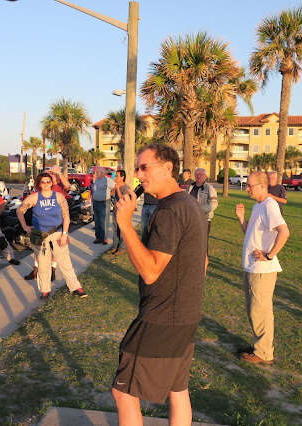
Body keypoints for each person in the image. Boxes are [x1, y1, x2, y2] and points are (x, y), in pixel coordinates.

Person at [111, 144, 207, 425]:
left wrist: (125, 224)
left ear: (168, 168)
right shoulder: (190, 203)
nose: (139, 174)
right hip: (186, 314)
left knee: (124, 391)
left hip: (162, 318)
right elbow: (203, 262)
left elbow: (151, 272)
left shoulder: (170, 211)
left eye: (145, 167)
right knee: (178, 389)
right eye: (137, 168)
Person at [235, 171, 290, 365]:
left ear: (262, 186)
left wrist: (269, 255)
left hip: (263, 270)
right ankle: (258, 346)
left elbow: (284, 232)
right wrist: (241, 218)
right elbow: (249, 232)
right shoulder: (258, 205)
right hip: (252, 267)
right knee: (253, 309)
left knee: (260, 310)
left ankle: (264, 353)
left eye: (249, 185)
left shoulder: (269, 205)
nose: (247, 189)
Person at [17, 173, 87, 300]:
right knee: (43, 265)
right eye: (43, 182)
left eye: (48, 181)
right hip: (40, 236)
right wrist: (25, 226)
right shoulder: (35, 197)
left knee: (65, 262)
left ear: (51, 183)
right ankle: (45, 290)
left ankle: (76, 287)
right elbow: (19, 210)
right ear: (39, 184)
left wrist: (64, 234)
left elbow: (66, 216)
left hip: (57, 233)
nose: (46, 184)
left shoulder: (59, 196)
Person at [187, 168, 218, 238]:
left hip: (204, 219)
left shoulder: (209, 188)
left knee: (202, 241)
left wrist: (199, 209)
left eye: (200, 174)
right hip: (190, 219)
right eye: (196, 174)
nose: (198, 176)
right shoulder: (190, 187)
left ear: (205, 176)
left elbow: (213, 204)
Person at [107, 170, 130, 255]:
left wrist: (118, 189)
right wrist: (115, 188)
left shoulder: (126, 188)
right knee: (115, 229)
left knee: (122, 230)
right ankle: (115, 246)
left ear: (122, 177)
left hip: (122, 212)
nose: (115, 178)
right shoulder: (116, 186)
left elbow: (122, 199)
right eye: (115, 176)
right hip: (115, 211)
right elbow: (111, 194)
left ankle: (122, 248)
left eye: (117, 176)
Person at [92, 167, 115, 245]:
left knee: (103, 221)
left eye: (97, 172)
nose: (96, 173)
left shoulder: (108, 180)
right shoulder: (96, 180)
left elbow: (115, 187)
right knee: (97, 221)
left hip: (104, 203)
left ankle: (105, 238)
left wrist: (111, 194)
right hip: (96, 202)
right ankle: (98, 237)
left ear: (102, 172)